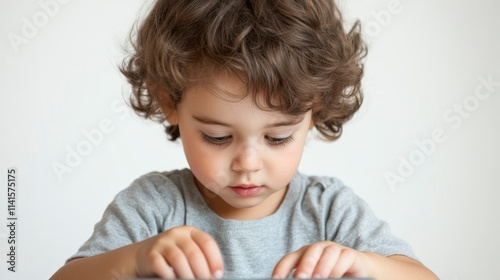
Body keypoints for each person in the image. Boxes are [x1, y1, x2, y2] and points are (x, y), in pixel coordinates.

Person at [51, 0, 438, 279]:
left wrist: (366, 266)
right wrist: (135, 261)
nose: (248, 163)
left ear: (314, 110)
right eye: (218, 137)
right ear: (170, 101)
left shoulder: (329, 212)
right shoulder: (154, 208)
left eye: (278, 137)